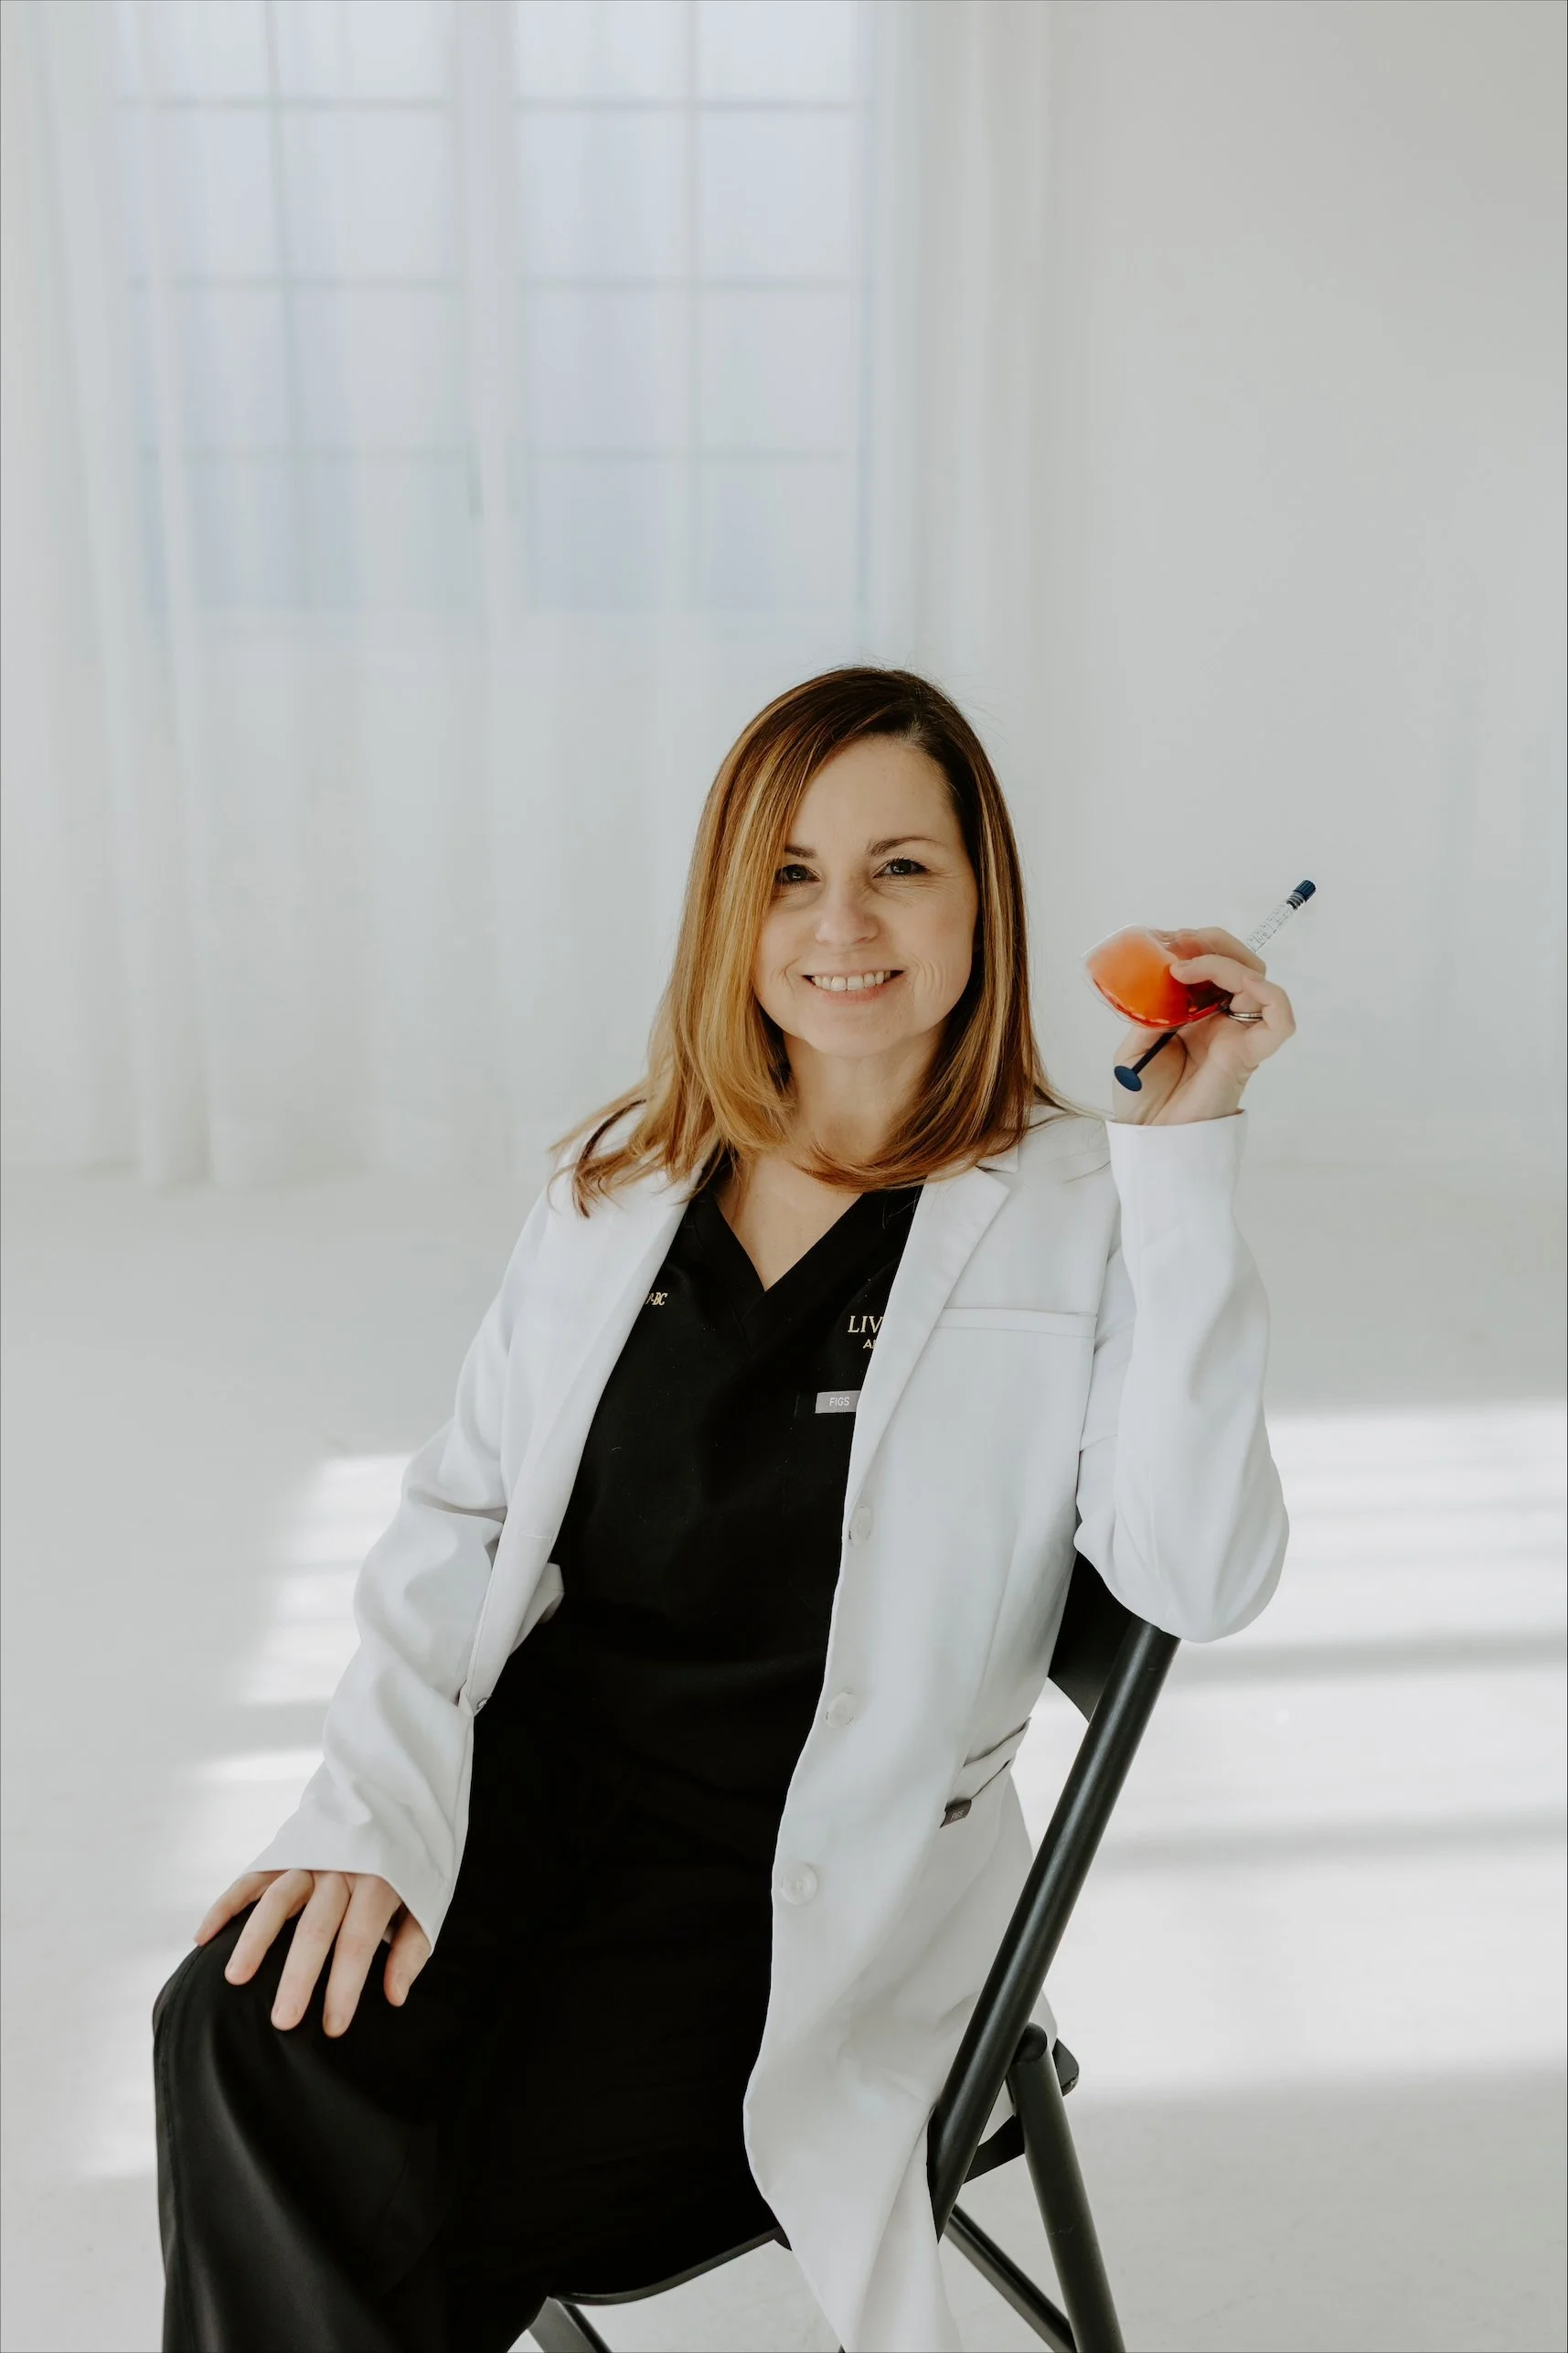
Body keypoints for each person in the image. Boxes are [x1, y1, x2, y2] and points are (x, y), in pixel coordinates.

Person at [152, 666, 1294, 2353]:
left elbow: (1195, 1575)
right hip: (529, 1818)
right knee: (240, 2027)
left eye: (900, 867)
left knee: (416, 2188)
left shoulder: (1085, 1207)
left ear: (983, 897)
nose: (842, 923)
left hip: (808, 1899)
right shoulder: (622, 1179)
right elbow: (462, 1517)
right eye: (789, 873)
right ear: (726, 910)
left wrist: (1185, 1161)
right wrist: (364, 1810)